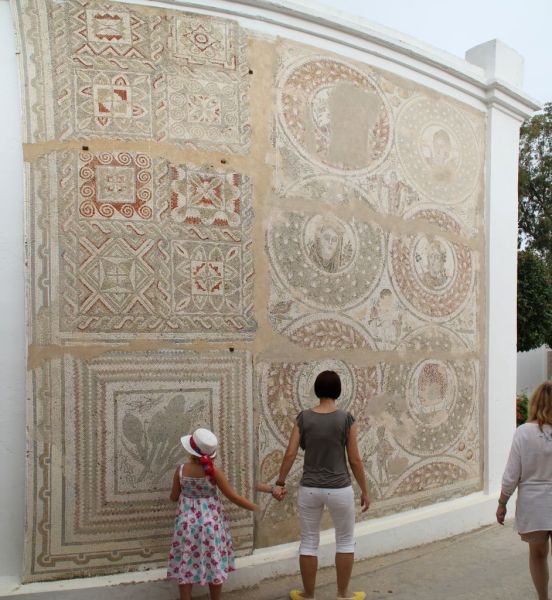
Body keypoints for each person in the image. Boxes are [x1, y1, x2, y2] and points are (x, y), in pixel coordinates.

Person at [274, 370, 370, 600]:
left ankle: (308, 594)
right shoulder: (346, 419)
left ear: (316, 390)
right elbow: (355, 460)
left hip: (309, 489)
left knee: (308, 542)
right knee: (345, 541)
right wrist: (365, 491)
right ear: (338, 391)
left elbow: (290, 454)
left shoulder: (303, 418)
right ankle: (343, 594)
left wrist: (280, 481)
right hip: (340, 489)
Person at [167, 427, 259, 600]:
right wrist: (255, 508)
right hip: (211, 525)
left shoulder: (180, 470)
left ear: (190, 451)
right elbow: (233, 497)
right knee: (213, 561)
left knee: (185, 563)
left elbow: (173, 497)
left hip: (186, 526)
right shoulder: (214, 472)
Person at [497, 381, 552, 600]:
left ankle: (543, 598)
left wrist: (502, 503)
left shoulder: (523, 433)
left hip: (533, 506)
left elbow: (511, 474)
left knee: (538, 556)